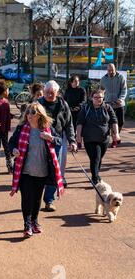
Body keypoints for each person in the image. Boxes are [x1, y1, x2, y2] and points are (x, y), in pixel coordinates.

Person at [9, 103, 64, 237]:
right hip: (25, 171)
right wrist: (14, 150)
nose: (29, 115)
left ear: (40, 114)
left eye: (33, 112)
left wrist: (50, 138)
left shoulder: (47, 128)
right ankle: (27, 225)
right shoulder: (21, 128)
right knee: (27, 198)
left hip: (42, 171)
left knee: (37, 199)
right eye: (28, 112)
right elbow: (11, 143)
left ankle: (34, 221)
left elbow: (59, 141)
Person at [38, 80, 77, 212]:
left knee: (55, 171)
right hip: (40, 141)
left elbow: (69, 124)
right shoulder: (38, 104)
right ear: (43, 92)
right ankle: (36, 199)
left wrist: (72, 140)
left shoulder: (63, 104)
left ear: (57, 93)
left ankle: (49, 200)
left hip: (57, 141)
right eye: (47, 93)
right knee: (40, 170)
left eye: (52, 93)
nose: (49, 95)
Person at [76, 89, 120, 185]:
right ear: (91, 98)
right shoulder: (86, 108)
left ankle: (96, 174)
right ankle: (95, 178)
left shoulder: (107, 108)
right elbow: (80, 122)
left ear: (103, 97)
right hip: (89, 138)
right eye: (95, 97)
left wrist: (116, 133)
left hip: (104, 139)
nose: (98, 99)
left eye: (100, 97)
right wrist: (78, 136)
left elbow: (114, 121)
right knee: (95, 157)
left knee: (99, 158)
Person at [99, 63, 127, 147]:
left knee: (120, 122)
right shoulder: (103, 79)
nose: (110, 72)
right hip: (108, 104)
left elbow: (124, 90)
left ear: (115, 69)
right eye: (109, 70)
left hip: (118, 104)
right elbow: (101, 90)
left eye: (112, 70)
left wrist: (120, 99)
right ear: (106, 70)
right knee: (110, 123)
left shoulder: (121, 78)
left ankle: (116, 134)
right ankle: (114, 139)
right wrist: (101, 99)